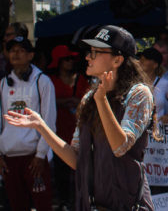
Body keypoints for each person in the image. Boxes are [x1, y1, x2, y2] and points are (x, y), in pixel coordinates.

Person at [4, 25, 156, 210]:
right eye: (89, 52)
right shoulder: (88, 99)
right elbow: (77, 160)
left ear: (117, 60)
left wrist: (101, 100)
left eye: (95, 52)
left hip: (128, 204)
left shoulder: (139, 94)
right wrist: (41, 126)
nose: (87, 57)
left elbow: (120, 147)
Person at [0, 36, 56, 211]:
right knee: (17, 206)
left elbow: (49, 120)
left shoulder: (42, 81)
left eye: (21, 50)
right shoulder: (3, 83)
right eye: (12, 50)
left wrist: (41, 155)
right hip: (9, 158)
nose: (15, 54)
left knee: (43, 205)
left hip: (34, 157)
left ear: (31, 55)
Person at [47, 44, 90, 209]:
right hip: (57, 131)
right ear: (58, 61)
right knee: (60, 172)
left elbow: (90, 101)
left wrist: (78, 103)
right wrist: (64, 102)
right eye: (66, 59)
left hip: (78, 132)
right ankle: (64, 202)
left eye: (72, 59)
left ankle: (79, 202)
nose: (70, 62)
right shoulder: (50, 81)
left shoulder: (81, 79)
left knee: (79, 171)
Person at [139, 48, 168, 124]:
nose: (141, 61)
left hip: (157, 131)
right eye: (141, 58)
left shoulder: (165, 83)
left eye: (145, 59)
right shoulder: (134, 83)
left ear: (155, 65)